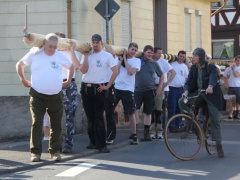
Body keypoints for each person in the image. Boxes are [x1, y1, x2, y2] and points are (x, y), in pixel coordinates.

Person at [16, 32, 74, 162]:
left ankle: (54, 152)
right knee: (37, 123)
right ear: (44, 44)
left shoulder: (59, 55)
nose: (52, 49)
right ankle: (35, 153)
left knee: (56, 124)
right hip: (37, 95)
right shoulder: (35, 52)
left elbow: (70, 66)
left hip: (55, 95)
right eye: (50, 46)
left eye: (55, 46)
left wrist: (69, 80)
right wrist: (23, 79)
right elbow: (20, 64)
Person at [178, 47, 225, 158]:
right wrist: (186, 91)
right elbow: (188, 82)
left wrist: (210, 86)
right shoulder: (193, 68)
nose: (193, 57)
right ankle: (192, 123)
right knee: (182, 101)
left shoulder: (211, 67)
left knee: (214, 118)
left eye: (195, 55)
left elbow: (213, 77)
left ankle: (219, 144)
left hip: (211, 95)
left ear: (201, 57)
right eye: (193, 55)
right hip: (199, 93)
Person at [80, 34, 118, 153]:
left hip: (99, 89)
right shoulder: (87, 55)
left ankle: (102, 144)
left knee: (99, 117)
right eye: (93, 42)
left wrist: (107, 86)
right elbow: (83, 70)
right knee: (90, 117)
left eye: (97, 42)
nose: (95, 44)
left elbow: (115, 71)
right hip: (86, 88)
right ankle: (93, 141)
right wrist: (85, 56)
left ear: (101, 43)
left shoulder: (106, 56)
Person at [55, 32, 80, 153]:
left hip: (70, 85)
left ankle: (68, 144)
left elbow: (76, 66)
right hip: (56, 84)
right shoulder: (53, 53)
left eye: (61, 41)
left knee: (70, 116)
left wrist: (71, 50)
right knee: (56, 116)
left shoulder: (72, 52)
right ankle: (56, 144)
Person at [134, 45, 164, 141]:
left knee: (148, 112)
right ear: (144, 52)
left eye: (151, 53)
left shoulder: (154, 63)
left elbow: (162, 75)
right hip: (137, 90)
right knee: (135, 110)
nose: (150, 54)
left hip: (150, 90)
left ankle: (147, 134)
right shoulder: (138, 60)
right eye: (148, 52)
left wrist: (159, 87)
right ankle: (135, 132)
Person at [114, 43, 141, 144]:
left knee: (131, 112)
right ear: (128, 49)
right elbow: (116, 71)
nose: (133, 51)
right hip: (117, 87)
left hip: (128, 89)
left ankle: (134, 134)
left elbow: (130, 72)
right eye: (132, 49)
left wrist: (125, 59)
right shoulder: (118, 59)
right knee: (108, 110)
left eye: (135, 50)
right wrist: (121, 60)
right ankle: (109, 133)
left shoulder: (136, 61)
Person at [150, 47, 176, 139]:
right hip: (151, 86)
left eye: (161, 53)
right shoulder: (149, 61)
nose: (160, 55)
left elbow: (173, 72)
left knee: (160, 110)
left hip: (160, 87)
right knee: (151, 109)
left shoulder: (163, 62)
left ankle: (160, 130)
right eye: (158, 53)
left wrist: (167, 83)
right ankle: (152, 130)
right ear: (154, 53)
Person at [167, 51, 189, 131]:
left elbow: (186, 78)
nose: (182, 58)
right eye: (180, 56)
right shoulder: (172, 64)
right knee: (172, 107)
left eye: (183, 57)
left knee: (179, 108)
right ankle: (171, 125)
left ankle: (178, 124)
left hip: (181, 89)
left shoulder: (184, 66)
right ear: (177, 56)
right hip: (172, 88)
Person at [102, 42, 118, 145]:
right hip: (99, 84)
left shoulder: (110, 57)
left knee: (109, 113)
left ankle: (110, 136)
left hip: (109, 84)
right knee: (99, 113)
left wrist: (104, 43)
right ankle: (101, 135)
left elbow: (112, 53)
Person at [223, 55, 240, 120]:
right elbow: (225, 76)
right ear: (235, 61)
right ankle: (230, 115)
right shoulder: (230, 68)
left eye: (239, 61)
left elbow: (236, 75)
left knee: (238, 102)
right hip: (231, 87)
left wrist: (233, 69)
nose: (238, 62)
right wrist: (226, 84)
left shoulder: (236, 68)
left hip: (238, 86)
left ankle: (237, 114)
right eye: (237, 60)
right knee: (231, 102)